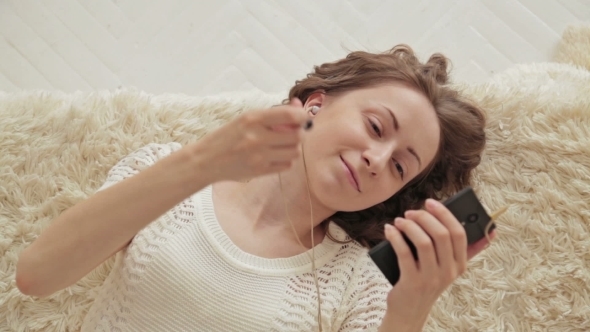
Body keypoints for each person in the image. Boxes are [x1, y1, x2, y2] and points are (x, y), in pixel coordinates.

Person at [15, 44, 494, 332]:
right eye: (374, 127)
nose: (377, 159)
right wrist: (198, 164)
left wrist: (412, 309)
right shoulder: (169, 170)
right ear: (313, 104)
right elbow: (36, 277)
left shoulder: (359, 280)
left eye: (399, 167)